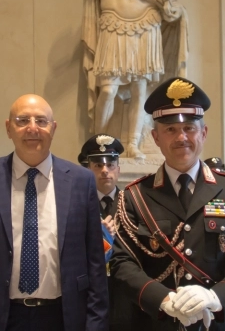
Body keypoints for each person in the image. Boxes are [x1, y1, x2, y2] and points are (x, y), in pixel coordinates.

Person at [111, 77, 225, 331]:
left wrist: (216, 298)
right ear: (156, 137)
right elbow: (122, 263)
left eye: (189, 128)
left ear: (203, 133)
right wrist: (162, 299)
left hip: (219, 323)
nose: (181, 138)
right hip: (158, 322)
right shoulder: (134, 195)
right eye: (170, 129)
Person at [0, 94, 109, 331]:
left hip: (63, 316)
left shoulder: (81, 180)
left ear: (53, 128)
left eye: (41, 121)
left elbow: (95, 263)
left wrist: (95, 324)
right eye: (22, 120)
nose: (32, 128)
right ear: (8, 128)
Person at [54, 0, 189, 158]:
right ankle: (99, 142)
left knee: (140, 90)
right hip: (113, 28)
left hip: (146, 28)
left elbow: (166, 5)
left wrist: (174, 11)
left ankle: (132, 144)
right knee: (107, 89)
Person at [79, 134, 132, 330]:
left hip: (124, 293)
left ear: (118, 169)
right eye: (97, 166)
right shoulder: (78, 205)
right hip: (89, 294)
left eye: (110, 165)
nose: (105, 171)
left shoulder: (132, 204)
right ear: (88, 169)